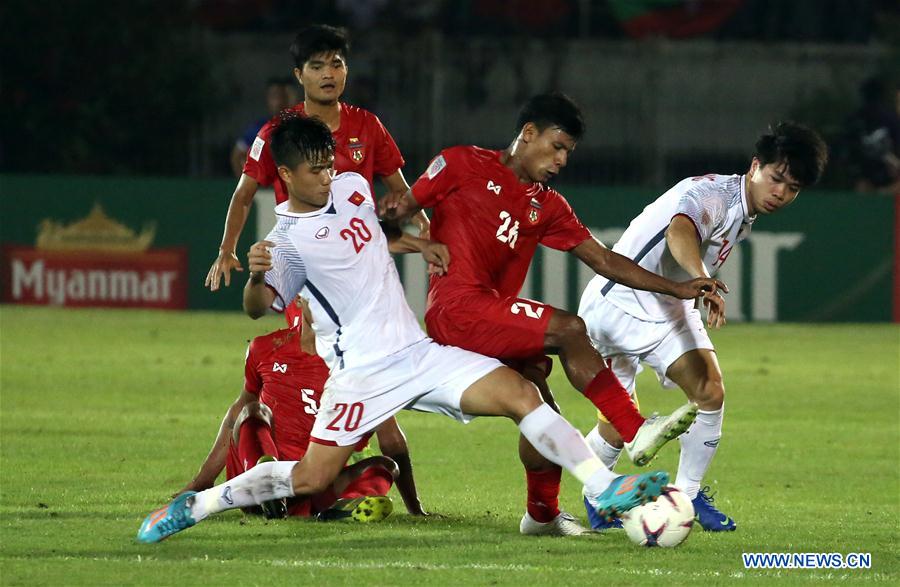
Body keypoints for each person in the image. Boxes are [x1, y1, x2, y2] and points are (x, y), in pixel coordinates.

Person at [137, 115, 670, 544]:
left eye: (329, 165)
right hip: (361, 376)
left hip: (417, 353)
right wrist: (255, 274)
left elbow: (376, 231)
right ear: (286, 177)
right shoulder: (285, 243)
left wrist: (420, 243)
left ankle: (604, 487)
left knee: (523, 393)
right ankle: (200, 504)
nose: (327, 176)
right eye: (314, 171)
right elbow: (258, 307)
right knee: (309, 479)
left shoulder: (348, 185)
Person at [379, 93, 725, 536]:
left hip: (491, 317)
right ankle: (632, 427)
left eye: (568, 153)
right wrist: (414, 238)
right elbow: (390, 217)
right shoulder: (460, 163)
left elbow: (604, 260)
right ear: (528, 134)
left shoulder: (548, 206)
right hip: (457, 308)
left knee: (543, 413)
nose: (561, 160)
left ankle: (540, 517)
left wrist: (677, 288)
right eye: (556, 146)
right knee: (569, 328)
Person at [577, 122, 828, 531]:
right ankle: (688, 498)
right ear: (755, 166)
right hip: (637, 302)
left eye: (793, 187)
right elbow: (681, 229)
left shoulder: (743, 210)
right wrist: (701, 279)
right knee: (709, 389)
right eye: (777, 178)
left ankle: (598, 500)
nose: (781, 192)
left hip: (611, 302)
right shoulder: (715, 194)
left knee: (618, 421)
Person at [206, 23, 429, 291]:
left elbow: (401, 191)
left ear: (346, 70)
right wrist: (227, 248)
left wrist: (424, 225)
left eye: (336, 64)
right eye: (316, 67)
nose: (328, 74)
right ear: (299, 75)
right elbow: (243, 194)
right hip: (304, 264)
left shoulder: (368, 125)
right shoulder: (278, 131)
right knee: (312, 332)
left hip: (361, 266)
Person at [176, 294, 428, 521]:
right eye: (317, 297)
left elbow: (392, 440)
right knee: (254, 411)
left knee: (385, 466)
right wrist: (202, 481)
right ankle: (266, 480)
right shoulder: (265, 349)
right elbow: (239, 417)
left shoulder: (360, 366)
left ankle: (344, 507)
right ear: (298, 301)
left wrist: (414, 507)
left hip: (316, 484)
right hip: (252, 488)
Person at [229, 77, 298, 179]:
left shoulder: (304, 128)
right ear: (268, 99)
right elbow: (237, 156)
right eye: (274, 97)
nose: (279, 102)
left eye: (284, 96)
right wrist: (248, 187)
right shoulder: (260, 129)